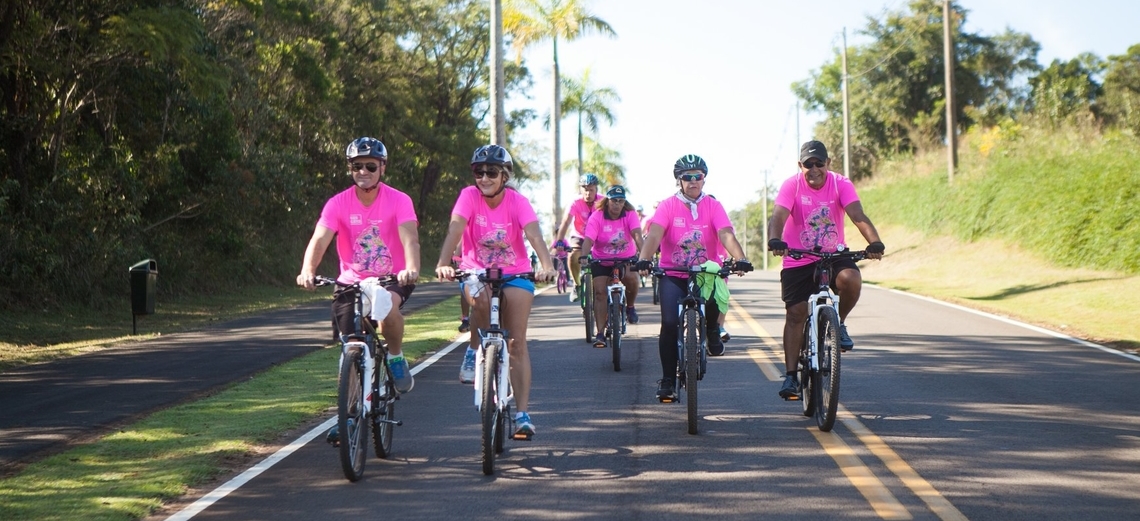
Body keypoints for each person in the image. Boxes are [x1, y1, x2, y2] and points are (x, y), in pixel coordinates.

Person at [435, 144, 555, 439]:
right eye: (479, 172)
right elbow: (455, 228)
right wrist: (443, 262)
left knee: (516, 343)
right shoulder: (468, 197)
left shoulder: (518, 201)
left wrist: (547, 264)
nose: (484, 178)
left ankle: (523, 414)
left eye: (491, 172)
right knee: (480, 300)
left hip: (516, 273)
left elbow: (534, 234)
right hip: (476, 270)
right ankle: (474, 348)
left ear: (505, 176)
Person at [297, 137, 420, 398]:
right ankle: (350, 412)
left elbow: (410, 238)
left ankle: (396, 357)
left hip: (392, 277)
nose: (363, 172)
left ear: (382, 168)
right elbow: (319, 239)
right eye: (357, 166)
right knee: (352, 345)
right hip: (351, 281)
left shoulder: (399, 200)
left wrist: (411, 267)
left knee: (387, 308)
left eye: (370, 166)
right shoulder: (337, 203)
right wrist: (308, 270)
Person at [767, 140, 884, 401]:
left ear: (828, 163)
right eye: (808, 164)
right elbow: (778, 216)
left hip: (833, 253)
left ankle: (837, 323)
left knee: (851, 278)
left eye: (819, 163)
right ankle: (790, 376)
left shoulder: (841, 183)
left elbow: (857, 215)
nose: (814, 168)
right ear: (801, 166)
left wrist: (874, 242)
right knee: (796, 313)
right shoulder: (791, 185)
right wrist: (775, 239)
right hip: (799, 257)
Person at [636, 154, 752, 402]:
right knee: (669, 323)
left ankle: (712, 329)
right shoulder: (667, 205)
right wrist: (645, 258)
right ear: (679, 181)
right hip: (674, 272)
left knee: (712, 301)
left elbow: (725, 234)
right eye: (687, 177)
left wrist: (740, 257)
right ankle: (668, 380)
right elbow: (655, 234)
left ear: (704, 179)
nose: (692, 181)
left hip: (706, 273)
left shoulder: (713, 205)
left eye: (697, 176)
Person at [579, 185, 644, 348]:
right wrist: (583, 256)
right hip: (601, 260)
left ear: (624, 202)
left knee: (631, 278)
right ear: (607, 201)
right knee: (600, 292)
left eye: (621, 201)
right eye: (614, 201)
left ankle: (630, 307)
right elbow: (588, 240)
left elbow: (637, 235)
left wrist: (644, 257)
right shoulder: (597, 216)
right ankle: (600, 333)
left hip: (625, 258)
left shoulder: (630, 214)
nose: (617, 204)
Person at [554, 174, 600, 301]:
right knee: (573, 255)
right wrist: (559, 241)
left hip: (598, 237)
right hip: (579, 235)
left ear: (596, 189)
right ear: (580, 189)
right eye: (585, 189)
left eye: (591, 189)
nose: (588, 193)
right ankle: (576, 284)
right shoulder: (575, 202)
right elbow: (566, 222)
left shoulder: (603, 201)